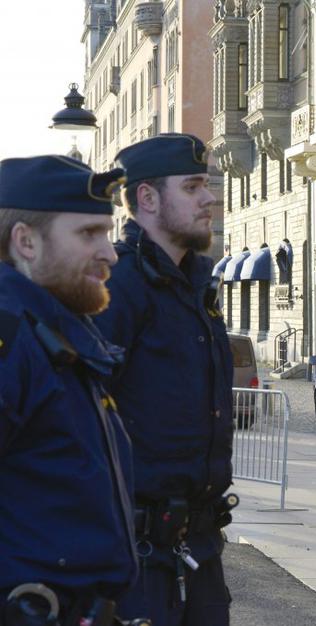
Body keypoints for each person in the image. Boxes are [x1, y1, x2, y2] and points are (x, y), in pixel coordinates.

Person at [93, 134, 235, 626]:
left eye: (206, 185)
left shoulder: (196, 284)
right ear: (148, 198)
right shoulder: (117, 285)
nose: (209, 198)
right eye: (192, 187)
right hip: (136, 555)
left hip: (199, 545)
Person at [0, 156, 139, 625]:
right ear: (26, 241)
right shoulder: (11, 337)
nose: (110, 254)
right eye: (88, 234)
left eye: (107, 233)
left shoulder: (55, 332)